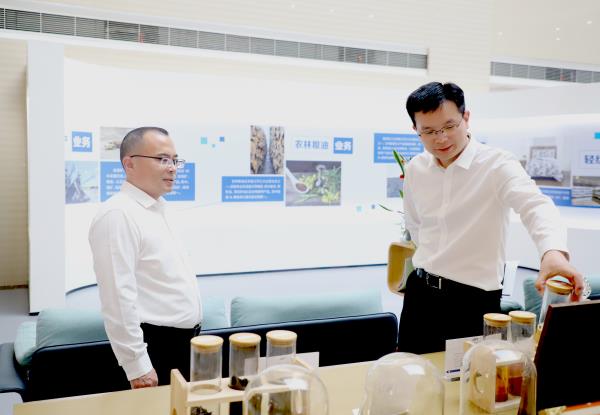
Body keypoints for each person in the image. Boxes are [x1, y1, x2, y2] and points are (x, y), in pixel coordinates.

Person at [399, 82, 583, 354]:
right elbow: (415, 225)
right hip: (420, 294)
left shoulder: (497, 165)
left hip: (471, 300)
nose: (441, 138)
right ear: (415, 129)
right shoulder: (416, 169)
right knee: (409, 369)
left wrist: (552, 253)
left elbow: (536, 205)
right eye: (428, 131)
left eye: (450, 126)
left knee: (468, 374)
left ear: (466, 118)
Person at [89, 127, 202, 387]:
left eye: (175, 160)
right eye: (162, 159)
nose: (172, 168)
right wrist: (137, 366)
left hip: (184, 343)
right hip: (155, 348)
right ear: (129, 164)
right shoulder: (117, 215)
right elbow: (117, 298)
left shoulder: (160, 209)